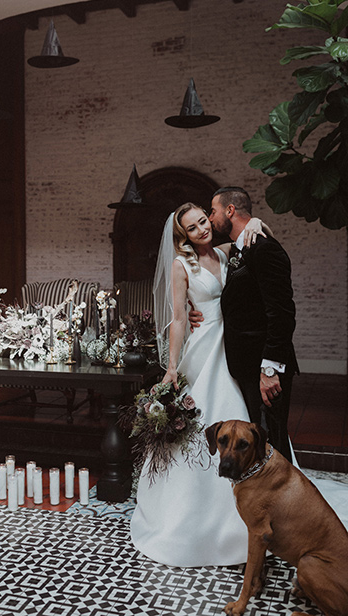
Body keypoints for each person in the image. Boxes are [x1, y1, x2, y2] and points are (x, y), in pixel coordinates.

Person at [130, 202, 267, 568]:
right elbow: (178, 317)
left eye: (204, 221)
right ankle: (197, 516)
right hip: (205, 346)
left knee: (241, 414)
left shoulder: (225, 253)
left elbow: (250, 235)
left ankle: (256, 504)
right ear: (183, 236)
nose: (202, 229)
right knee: (205, 419)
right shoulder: (181, 265)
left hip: (233, 344)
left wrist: (253, 219)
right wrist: (172, 367)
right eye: (192, 228)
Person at [208, 187, 298, 462]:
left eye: (213, 211)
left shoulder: (264, 249)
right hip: (246, 366)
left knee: (272, 442)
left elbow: (282, 313)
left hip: (265, 367)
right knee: (257, 444)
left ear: (230, 211)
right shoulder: (241, 247)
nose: (210, 219)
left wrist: (269, 369)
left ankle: (281, 501)